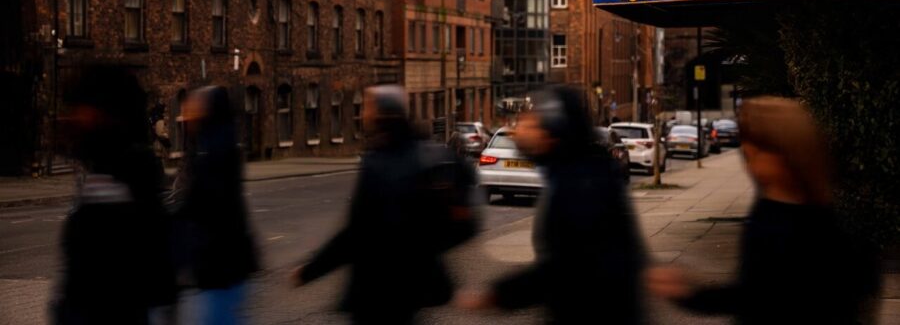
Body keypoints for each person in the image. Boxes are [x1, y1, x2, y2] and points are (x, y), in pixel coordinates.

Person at [646, 96, 880, 324]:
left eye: (755, 153)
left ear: (784, 153)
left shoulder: (816, 228)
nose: (750, 164)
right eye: (747, 154)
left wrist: (690, 295)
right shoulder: (772, 205)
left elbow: (758, 297)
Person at [458, 85, 645, 324]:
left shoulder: (579, 184)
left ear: (552, 134)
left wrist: (498, 295)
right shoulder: (579, 172)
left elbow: (566, 269)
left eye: (531, 124)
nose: (518, 131)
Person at [292, 85, 477, 325]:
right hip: (412, 288)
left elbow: (356, 233)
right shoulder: (425, 154)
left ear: (383, 114)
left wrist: (311, 270)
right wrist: (424, 249)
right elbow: (465, 224)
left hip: (376, 289)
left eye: (368, 107)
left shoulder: (379, 163)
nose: (362, 114)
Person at [53, 64, 175, 324]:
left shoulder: (122, 177)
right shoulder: (108, 170)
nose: (69, 117)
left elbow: (129, 278)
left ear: (103, 113)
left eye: (78, 108)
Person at [169, 86, 258, 325]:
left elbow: (198, 205)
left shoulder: (215, 153)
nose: (189, 112)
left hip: (221, 268)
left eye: (197, 106)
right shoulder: (215, 145)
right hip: (226, 266)